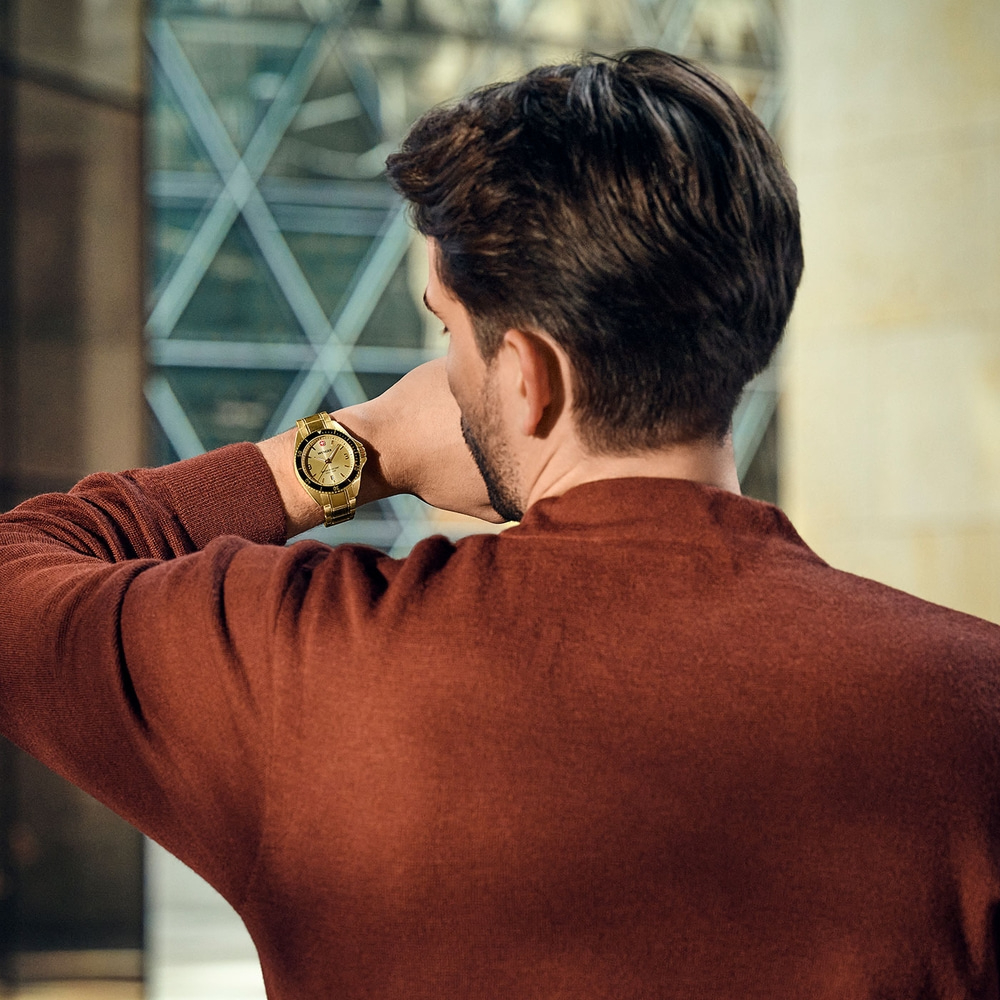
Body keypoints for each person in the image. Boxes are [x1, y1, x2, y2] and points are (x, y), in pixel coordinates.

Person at [1, 47, 999, 1000]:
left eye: (446, 331)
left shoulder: (304, 664)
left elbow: (18, 575)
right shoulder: (973, 705)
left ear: (527, 379)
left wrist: (356, 446)